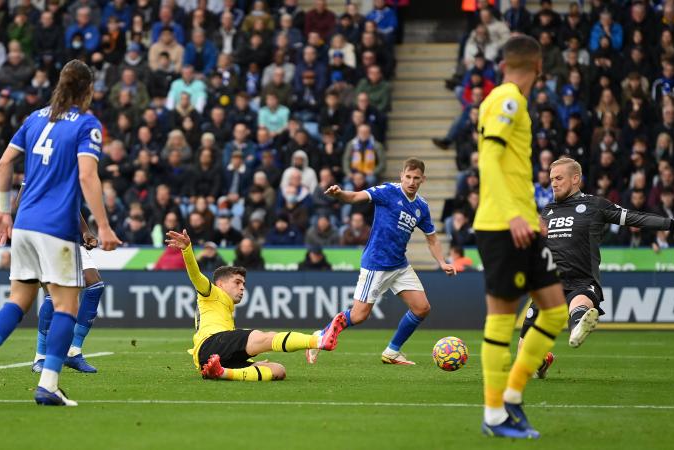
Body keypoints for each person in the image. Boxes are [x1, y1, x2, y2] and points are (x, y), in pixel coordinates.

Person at [0, 60, 121, 407]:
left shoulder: (34, 119)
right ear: (88, 89)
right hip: (56, 228)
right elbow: (87, 176)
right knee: (67, 305)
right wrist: (104, 225)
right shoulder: (87, 124)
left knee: (18, 299)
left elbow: (4, 163)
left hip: (23, 225)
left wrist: (3, 210)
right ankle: (48, 384)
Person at [520, 158, 674, 377]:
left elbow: (636, 218)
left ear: (575, 179)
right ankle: (543, 360)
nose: (553, 183)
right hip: (549, 285)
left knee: (579, 306)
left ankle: (578, 325)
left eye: (559, 178)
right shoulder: (547, 211)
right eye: (552, 178)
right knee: (524, 359)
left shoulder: (595, 205)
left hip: (582, 282)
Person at [472, 36, 568, 439]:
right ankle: (494, 413)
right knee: (501, 319)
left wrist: (530, 215)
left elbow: (508, 167)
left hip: (523, 224)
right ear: (538, 66)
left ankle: (511, 395)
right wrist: (513, 214)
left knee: (555, 312)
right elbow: (489, 159)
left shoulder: (505, 100)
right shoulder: (508, 99)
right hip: (500, 225)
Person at [307, 158, 456, 366]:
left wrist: (442, 261)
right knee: (358, 316)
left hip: (399, 265)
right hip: (376, 263)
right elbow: (356, 196)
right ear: (401, 176)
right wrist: (339, 194)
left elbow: (432, 238)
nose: (411, 182)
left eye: (416, 178)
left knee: (422, 308)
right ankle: (317, 338)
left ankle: (392, 352)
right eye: (408, 177)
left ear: (423, 179)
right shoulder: (388, 191)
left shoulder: (421, 206)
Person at [165, 229, 346, 381]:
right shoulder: (211, 293)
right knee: (263, 337)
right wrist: (187, 250)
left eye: (243, 284)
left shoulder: (224, 308)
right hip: (210, 345)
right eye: (237, 282)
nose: (242, 287)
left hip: (214, 357)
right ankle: (318, 341)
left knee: (278, 370)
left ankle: (221, 372)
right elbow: (196, 275)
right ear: (220, 284)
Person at [32, 211, 105, 374]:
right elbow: (22, 203)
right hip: (45, 237)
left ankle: (73, 352)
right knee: (54, 295)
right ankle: (41, 357)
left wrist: (85, 231)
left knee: (96, 285)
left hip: (71, 239)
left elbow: (72, 203)